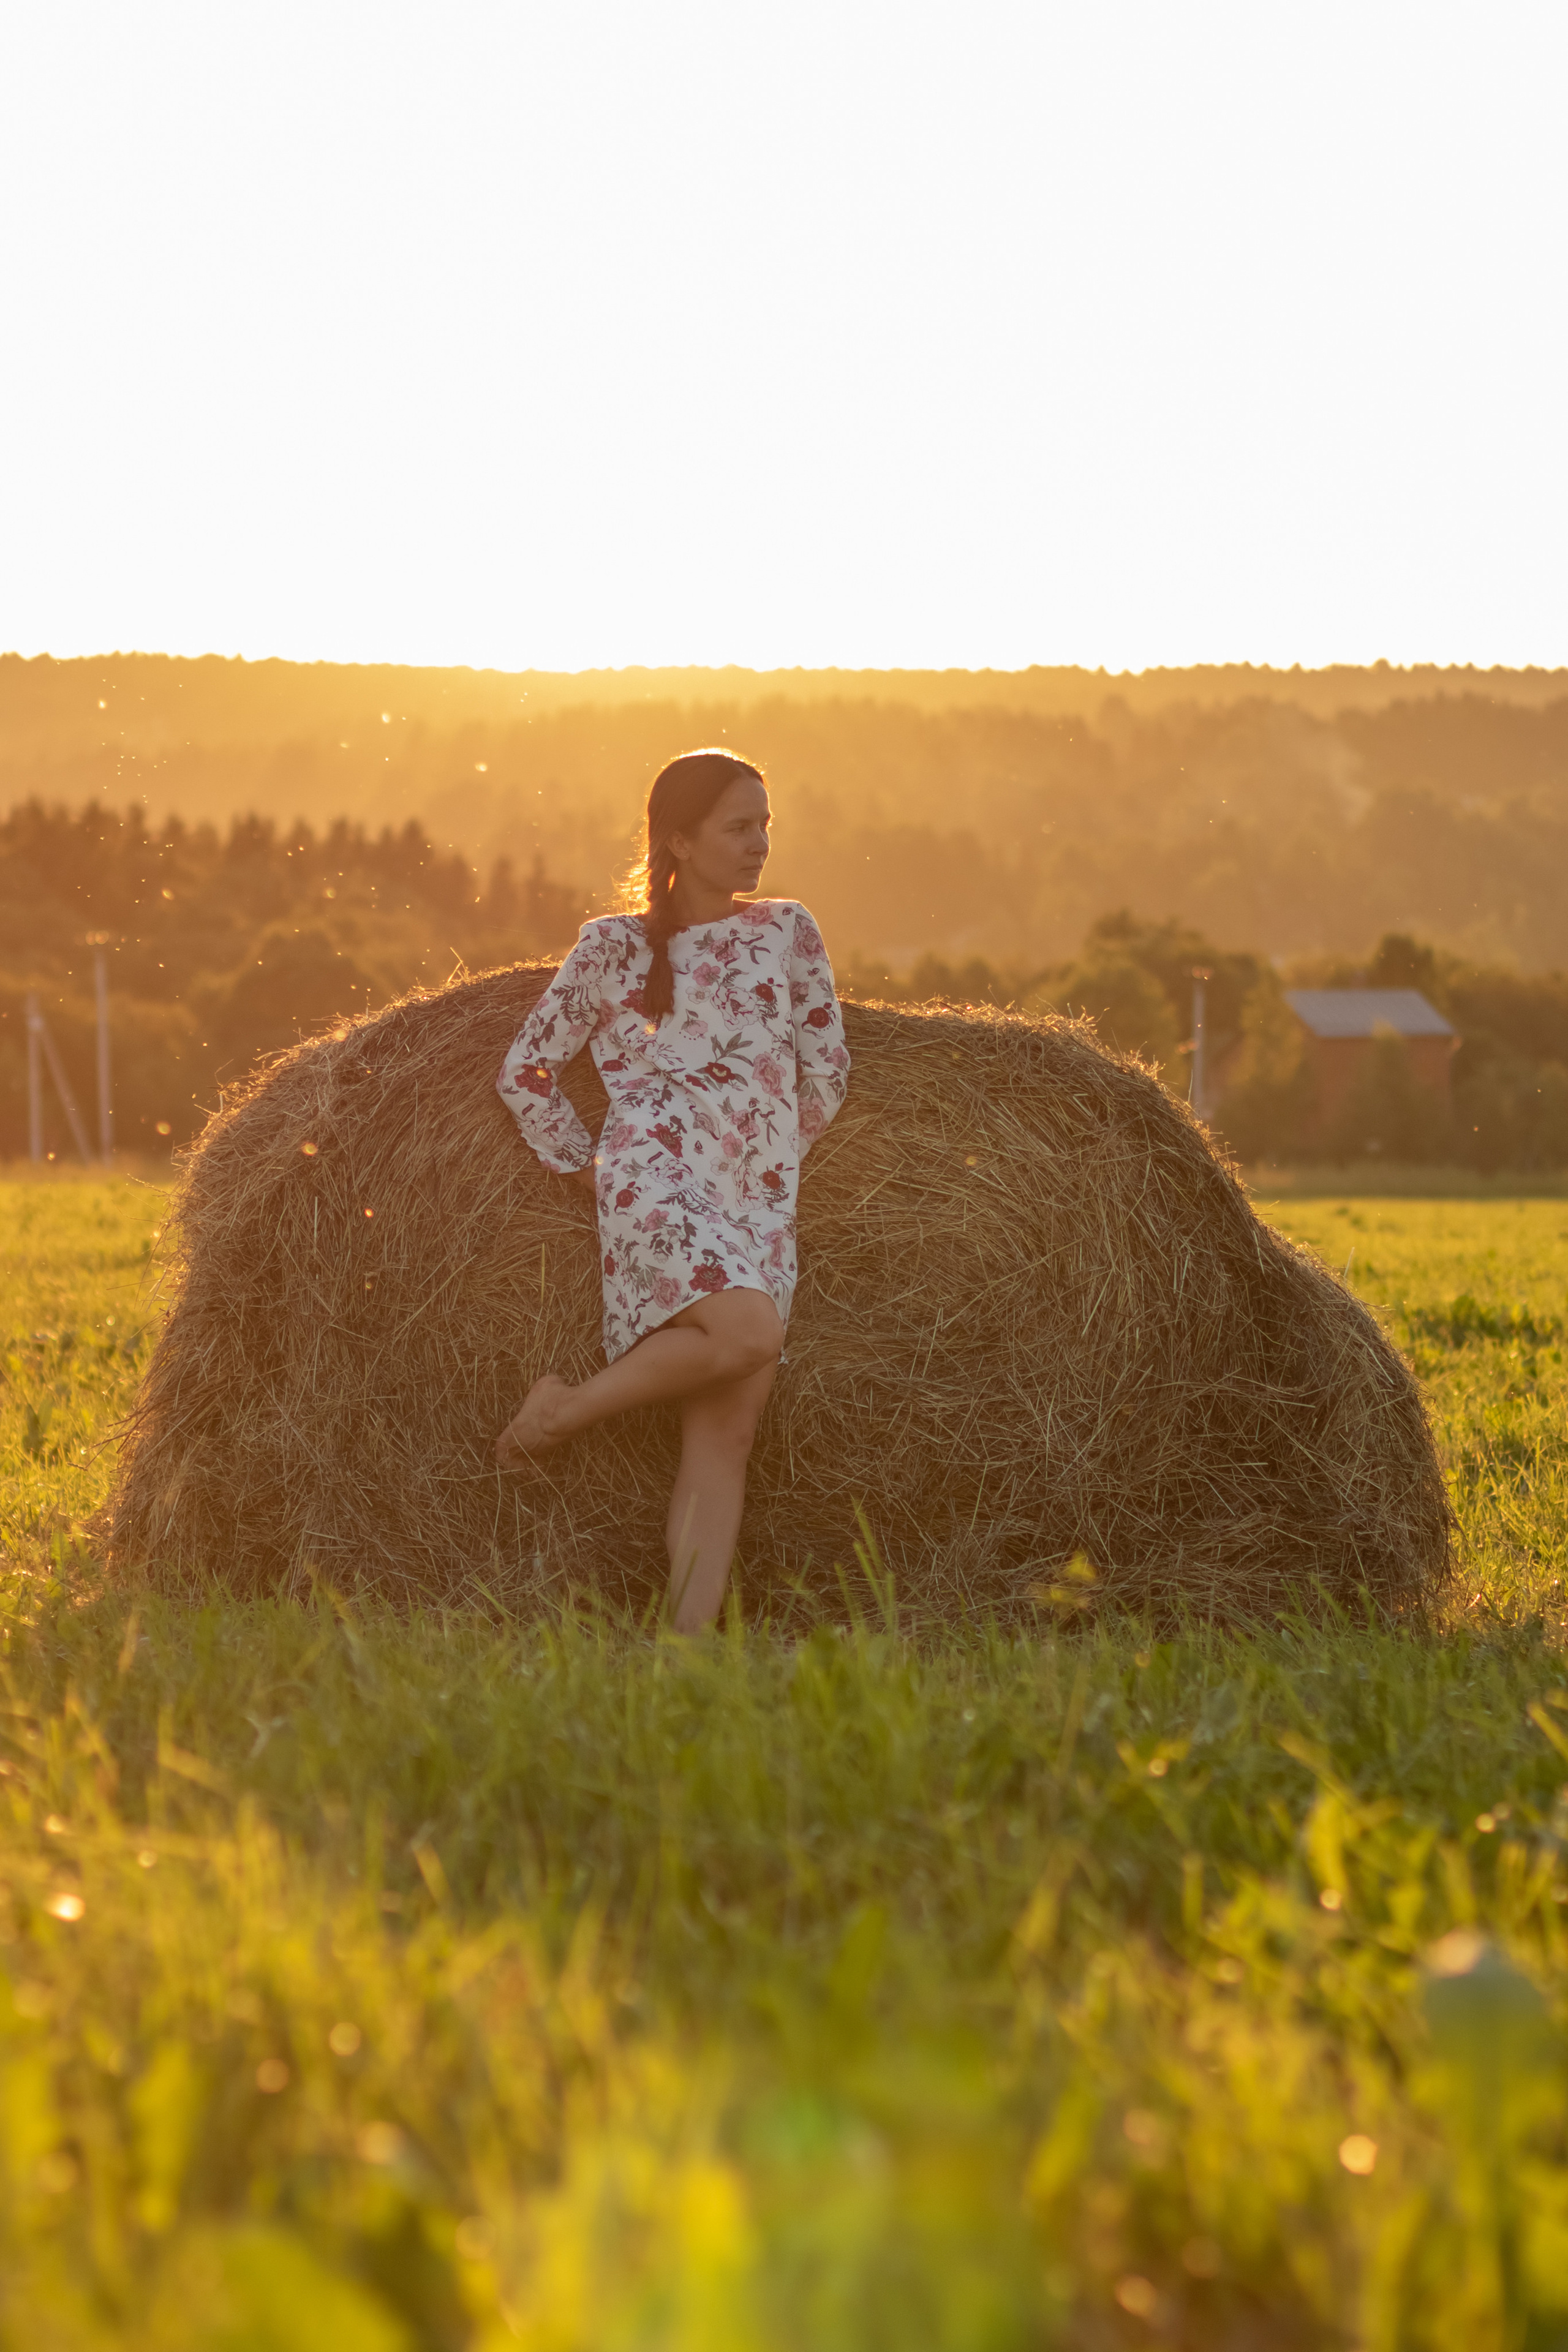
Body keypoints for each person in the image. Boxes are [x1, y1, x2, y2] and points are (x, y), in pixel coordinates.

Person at [494, 748, 851, 1630]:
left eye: (765, 824)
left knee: (726, 1434)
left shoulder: (788, 932)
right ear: (680, 841)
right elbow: (528, 1070)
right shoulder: (613, 948)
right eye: (739, 827)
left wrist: (767, 1154)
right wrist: (586, 1167)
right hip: (654, 1184)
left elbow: (826, 1067)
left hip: (757, 1198)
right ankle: (562, 1414)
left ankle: (684, 1653)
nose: (759, 843)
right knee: (751, 1331)